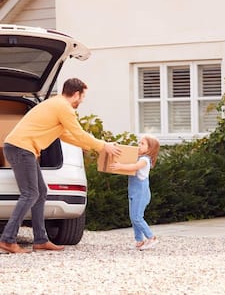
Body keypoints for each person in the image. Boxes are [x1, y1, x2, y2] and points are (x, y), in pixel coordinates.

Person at [0, 78, 121, 254]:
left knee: (40, 192)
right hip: (21, 148)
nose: (82, 101)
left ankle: (41, 240)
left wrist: (94, 147)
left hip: (23, 148)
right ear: (76, 94)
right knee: (31, 193)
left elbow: (66, 136)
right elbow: (78, 132)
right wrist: (103, 146)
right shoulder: (64, 107)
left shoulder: (55, 104)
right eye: (82, 96)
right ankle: (8, 239)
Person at [110, 135, 160, 250]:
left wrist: (120, 166)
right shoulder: (138, 157)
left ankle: (151, 237)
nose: (139, 145)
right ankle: (139, 240)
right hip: (133, 191)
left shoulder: (144, 160)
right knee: (134, 217)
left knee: (137, 217)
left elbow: (134, 167)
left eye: (142, 144)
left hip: (141, 192)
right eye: (139, 143)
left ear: (150, 148)